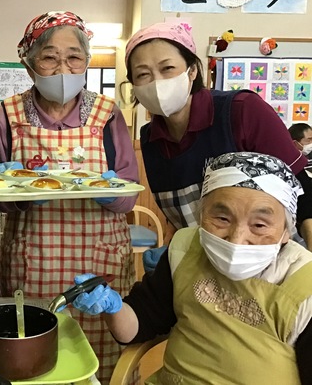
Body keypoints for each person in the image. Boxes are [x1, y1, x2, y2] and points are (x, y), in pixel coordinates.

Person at [68, 152, 312, 384]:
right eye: (222, 219)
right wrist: (113, 306)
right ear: (201, 214)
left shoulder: (304, 285)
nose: (237, 239)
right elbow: (140, 324)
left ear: (286, 232)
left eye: (259, 225)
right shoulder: (185, 249)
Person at [0, 11, 139, 382]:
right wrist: (20, 194)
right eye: (49, 57)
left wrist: (107, 192)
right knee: (34, 354)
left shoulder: (107, 114)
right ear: (29, 64)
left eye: (74, 57)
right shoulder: (9, 114)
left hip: (99, 259)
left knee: (101, 353)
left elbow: (128, 194)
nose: (63, 67)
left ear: (87, 62)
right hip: (33, 257)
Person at [125, 21, 312, 250]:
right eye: (143, 74)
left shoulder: (242, 111)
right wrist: (173, 254)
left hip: (273, 261)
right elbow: (178, 216)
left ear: (192, 70)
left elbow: (303, 192)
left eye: (167, 69)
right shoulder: (151, 139)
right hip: (209, 268)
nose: (156, 83)